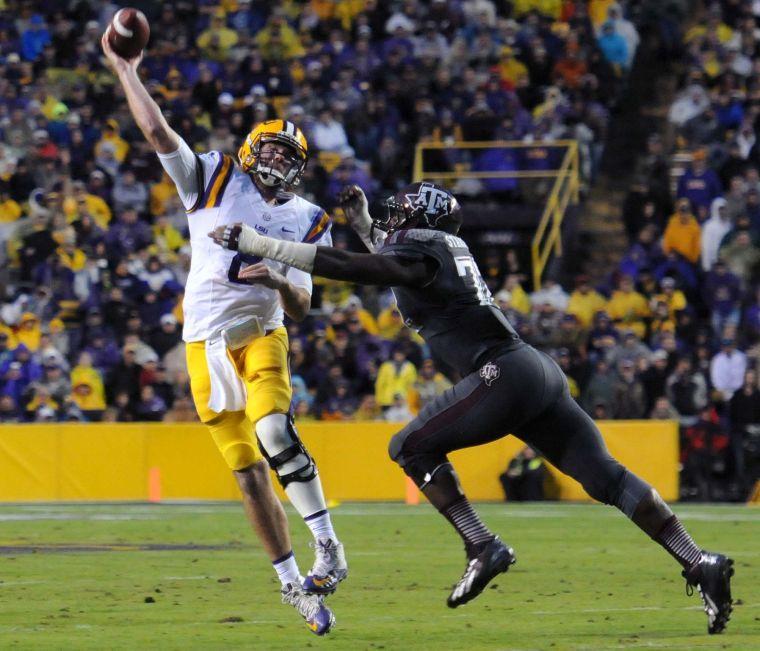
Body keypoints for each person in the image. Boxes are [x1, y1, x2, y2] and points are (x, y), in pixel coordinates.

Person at [210, 181, 734, 635]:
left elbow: (358, 268)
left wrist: (260, 243)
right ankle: (699, 561)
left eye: (403, 210)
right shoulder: (437, 250)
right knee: (609, 480)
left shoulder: (423, 245)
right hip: (534, 371)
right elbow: (393, 268)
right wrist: (369, 226)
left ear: (421, 218)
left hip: (501, 373)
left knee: (408, 447)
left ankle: (482, 545)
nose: (396, 217)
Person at [101, 33, 345, 636]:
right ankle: (293, 585)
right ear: (248, 149)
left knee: (272, 429)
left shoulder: (308, 218)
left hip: (261, 332)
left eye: (292, 156)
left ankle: (329, 546)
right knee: (245, 470)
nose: (281, 162)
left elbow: (306, 304)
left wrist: (279, 279)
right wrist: (125, 69)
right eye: (274, 149)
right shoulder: (211, 178)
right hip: (202, 344)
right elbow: (159, 134)